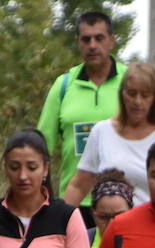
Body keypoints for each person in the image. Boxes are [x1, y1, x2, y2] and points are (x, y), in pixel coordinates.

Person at [61, 62, 155, 209]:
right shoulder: (101, 132)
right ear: (122, 94)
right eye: (132, 94)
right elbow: (79, 185)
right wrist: (58, 222)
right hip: (112, 225)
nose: (137, 102)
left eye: (145, 95)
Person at [38, 10, 124, 210]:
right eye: (86, 39)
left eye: (99, 38)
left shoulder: (130, 84)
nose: (92, 45)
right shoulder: (63, 86)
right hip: (75, 203)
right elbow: (41, 149)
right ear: (78, 42)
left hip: (123, 204)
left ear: (111, 41)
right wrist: (45, 201)